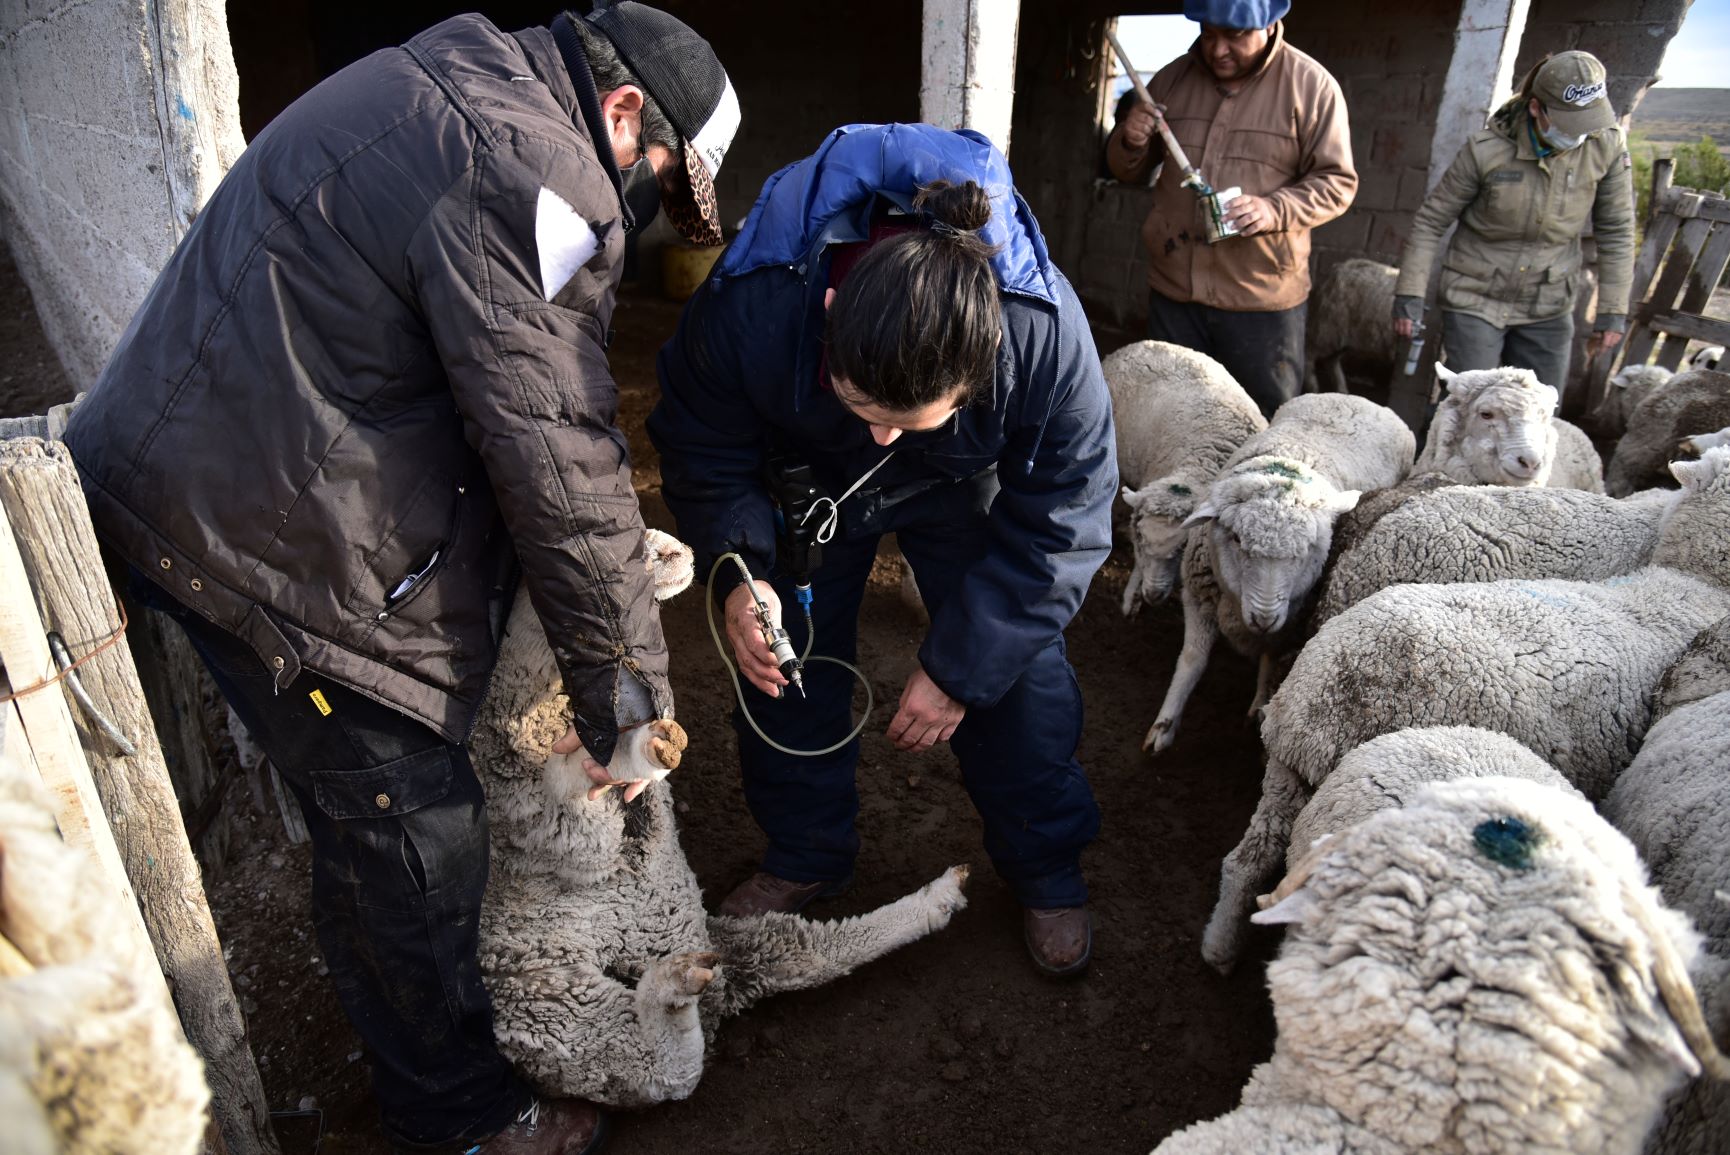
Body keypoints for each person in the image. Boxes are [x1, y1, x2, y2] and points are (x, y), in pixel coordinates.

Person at [64, 4, 739, 1152]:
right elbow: (560, 452)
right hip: (264, 538)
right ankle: (463, 1117)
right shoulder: (537, 175)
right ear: (624, 111)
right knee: (415, 823)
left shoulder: (441, 80)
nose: (639, 207)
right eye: (657, 177)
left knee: (369, 815)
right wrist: (628, 707)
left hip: (201, 463)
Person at [648, 123, 1117, 978]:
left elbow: (1065, 519)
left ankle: (1045, 865)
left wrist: (962, 667)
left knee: (1018, 674)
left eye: (901, 418)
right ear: (830, 315)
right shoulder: (757, 300)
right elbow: (700, 441)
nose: (879, 433)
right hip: (808, 472)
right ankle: (805, 851)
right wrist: (740, 567)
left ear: (980, 371)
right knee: (781, 659)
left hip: (958, 475)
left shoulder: (1041, 334)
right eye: (863, 403)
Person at [1104, 0, 1357, 416]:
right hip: (1176, 290)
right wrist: (1129, 139)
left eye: (1235, 35)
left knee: (1260, 419)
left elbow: (1337, 183)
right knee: (1168, 414)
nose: (1218, 49)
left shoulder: (1311, 87)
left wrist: (1274, 210)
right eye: (1208, 34)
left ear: (1271, 23)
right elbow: (1126, 171)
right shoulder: (1171, 80)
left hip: (1259, 299)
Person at [1393, 51, 1636, 390]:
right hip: (1476, 295)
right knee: (1475, 401)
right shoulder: (1486, 150)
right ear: (1537, 109)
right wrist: (1409, 293)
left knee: (1540, 409)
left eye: (1587, 123)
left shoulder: (1606, 145)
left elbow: (1618, 230)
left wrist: (1612, 309)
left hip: (1548, 300)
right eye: (1570, 124)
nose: (1579, 135)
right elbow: (1431, 221)